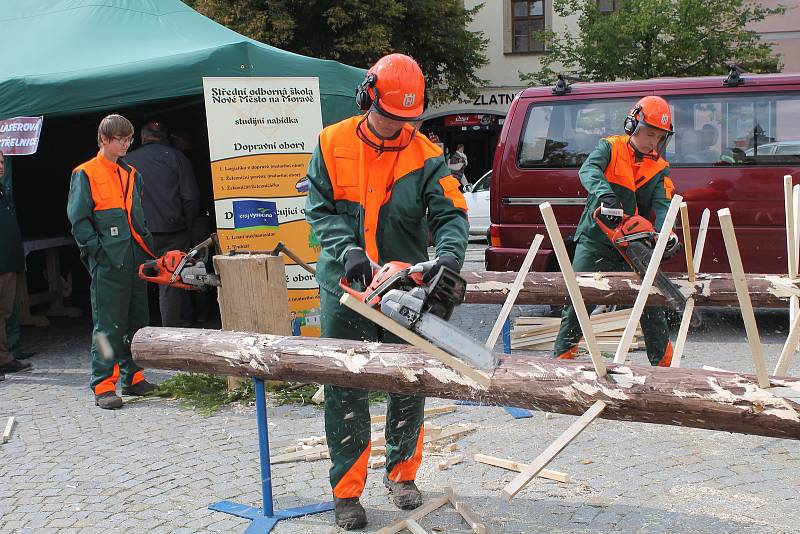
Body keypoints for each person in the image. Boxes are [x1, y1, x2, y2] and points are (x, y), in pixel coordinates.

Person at [305, 53, 469, 530]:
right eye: (387, 118)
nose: (395, 129)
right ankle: (347, 491)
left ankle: (401, 474)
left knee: (408, 381)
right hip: (347, 286)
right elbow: (318, 207)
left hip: (404, 288)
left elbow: (452, 215)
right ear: (367, 98)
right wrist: (345, 248)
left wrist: (449, 260)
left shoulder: (425, 154)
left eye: (404, 122)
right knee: (345, 385)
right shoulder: (331, 142)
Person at [553, 96, 681, 366]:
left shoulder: (659, 168)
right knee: (580, 299)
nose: (652, 142)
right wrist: (605, 195)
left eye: (659, 137)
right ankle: (561, 363)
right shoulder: (610, 147)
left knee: (651, 305)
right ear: (632, 125)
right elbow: (588, 170)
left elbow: (665, 203)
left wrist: (665, 234)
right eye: (649, 134)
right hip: (595, 239)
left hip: (632, 245)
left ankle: (665, 369)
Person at [67, 114, 158, 409]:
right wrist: (99, 254)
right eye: (120, 139)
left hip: (134, 258)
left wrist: (148, 252)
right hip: (108, 262)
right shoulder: (85, 173)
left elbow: (138, 217)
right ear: (104, 139)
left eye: (129, 139)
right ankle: (103, 384)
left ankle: (134, 377)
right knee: (107, 327)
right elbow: (79, 222)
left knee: (137, 321)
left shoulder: (132, 173)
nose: (126, 144)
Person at [125, 121, 200, 327]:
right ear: (165, 138)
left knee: (137, 280)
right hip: (173, 231)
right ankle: (170, 331)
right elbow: (191, 197)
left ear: (141, 138)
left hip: (139, 233)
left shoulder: (126, 161)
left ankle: (138, 331)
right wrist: (188, 224)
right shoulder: (177, 157)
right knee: (170, 281)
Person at [0, 150, 32, 379]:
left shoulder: (3, 191)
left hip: (7, 263)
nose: (1, 166)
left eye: (1, 161)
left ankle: (4, 358)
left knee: (3, 312)